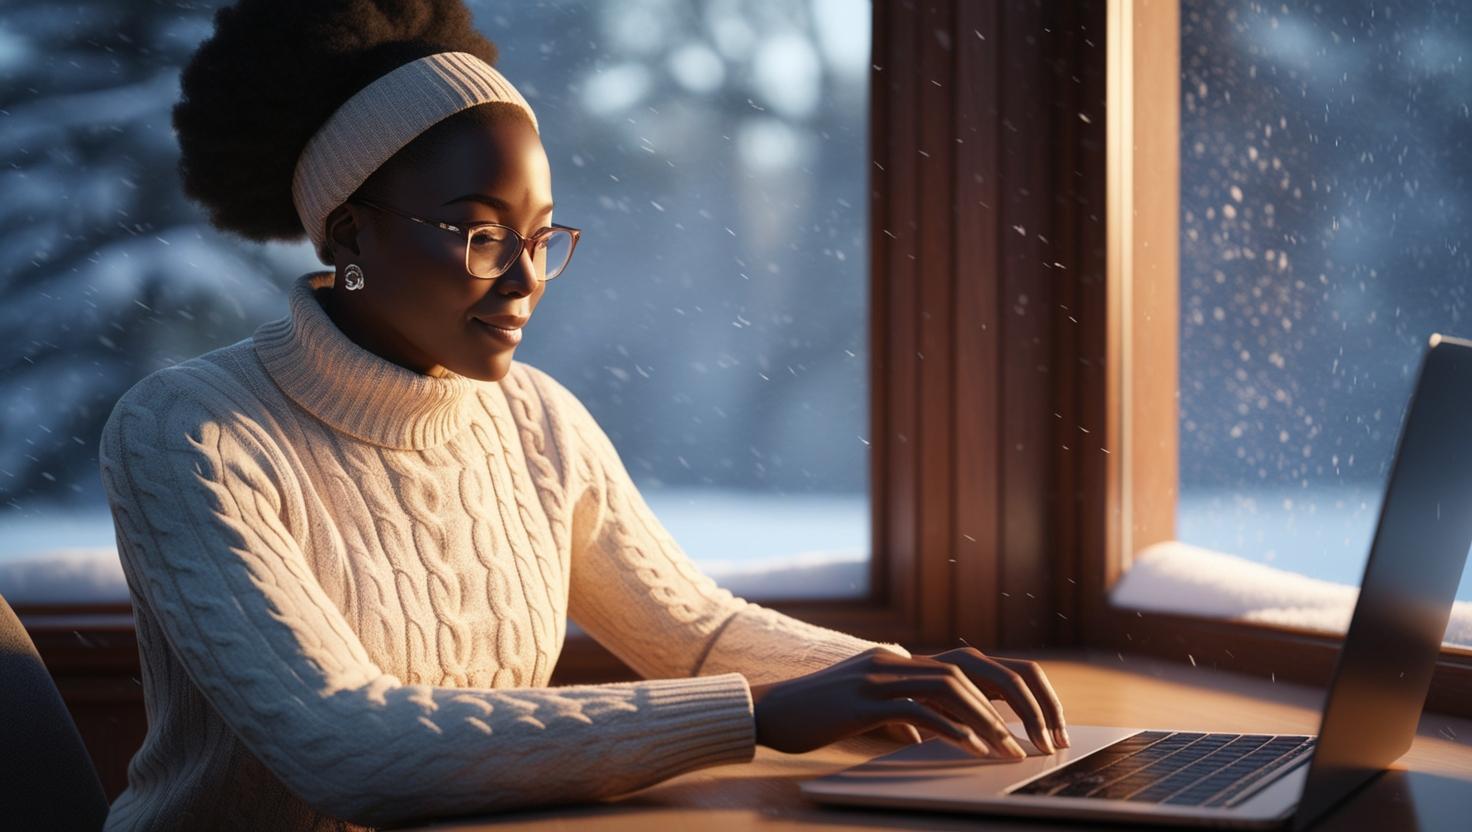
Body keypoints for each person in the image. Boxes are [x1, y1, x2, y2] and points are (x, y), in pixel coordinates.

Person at [96, 1, 1069, 829]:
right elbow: (344, 742)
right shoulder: (191, 432)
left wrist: (891, 677)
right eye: (479, 236)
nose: (524, 280)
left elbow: (690, 629)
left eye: (537, 235)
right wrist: (756, 715)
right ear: (350, 237)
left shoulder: (534, 421)